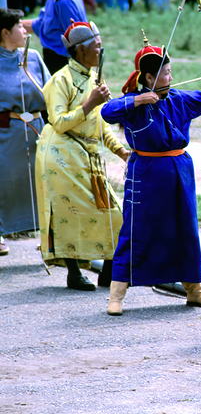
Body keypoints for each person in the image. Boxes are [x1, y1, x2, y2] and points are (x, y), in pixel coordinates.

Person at [101, 33, 201, 316]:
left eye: (170, 70)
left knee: (186, 228)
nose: (170, 75)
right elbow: (107, 111)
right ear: (149, 78)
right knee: (136, 230)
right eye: (165, 71)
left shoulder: (179, 99)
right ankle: (117, 296)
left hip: (179, 171)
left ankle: (194, 291)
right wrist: (138, 101)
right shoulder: (133, 104)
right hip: (146, 174)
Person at [36, 21, 127, 291]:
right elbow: (59, 122)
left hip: (88, 154)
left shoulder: (94, 80)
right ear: (81, 50)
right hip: (60, 154)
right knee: (68, 212)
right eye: (97, 46)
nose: (101, 51)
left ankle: (108, 271)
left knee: (114, 213)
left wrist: (121, 151)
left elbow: (100, 125)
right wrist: (90, 103)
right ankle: (74, 273)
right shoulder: (59, 80)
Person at [0, 8, 50, 246]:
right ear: (5, 33)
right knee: (6, 182)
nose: (25, 29)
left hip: (36, 127)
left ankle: (47, 236)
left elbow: (51, 92)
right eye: (19, 26)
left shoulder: (33, 58)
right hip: (7, 132)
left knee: (41, 181)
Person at [22, 0, 87, 75]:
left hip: (62, 69)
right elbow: (42, 24)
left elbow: (78, 43)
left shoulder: (64, 0)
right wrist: (10, 24)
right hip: (54, 65)